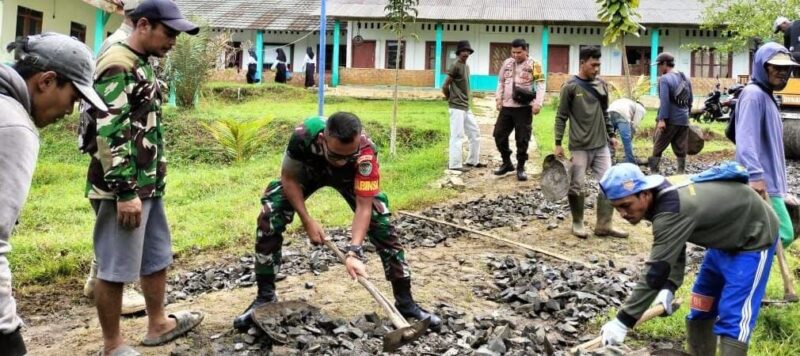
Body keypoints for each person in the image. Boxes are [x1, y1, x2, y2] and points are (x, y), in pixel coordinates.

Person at [233, 113, 441, 332]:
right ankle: (265, 298)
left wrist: (354, 251)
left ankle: (406, 304)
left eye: (347, 156)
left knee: (382, 225)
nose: (341, 161)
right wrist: (307, 220)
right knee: (269, 215)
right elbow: (289, 178)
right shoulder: (304, 135)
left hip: (349, 178)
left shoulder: (365, 153)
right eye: (335, 155)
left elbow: (364, 205)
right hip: (308, 172)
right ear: (323, 139)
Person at [83, 1, 204, 354]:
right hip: (122, 188)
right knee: (116, 266)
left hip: (146, 182)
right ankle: (113, 345)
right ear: (144, 26)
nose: (173, 42)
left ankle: (157, 323)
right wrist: (124, 191)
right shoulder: (117, 63)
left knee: (155, 255)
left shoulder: (141, 62)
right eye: (169, 33)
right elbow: (111, 132)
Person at [598, 163, 778, 356]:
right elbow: (674, 241)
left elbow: (656, 270)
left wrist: (623, 321)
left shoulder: (671, 207)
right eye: (617, 208)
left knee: (734, 317)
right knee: (702, 305)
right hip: (722, 238)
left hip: (753, 236)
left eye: (626, 205)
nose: (623, 214)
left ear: (644, 193)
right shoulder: (657, 198)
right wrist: (670, 285)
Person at [1, 32, 108, 356]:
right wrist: (6, 332)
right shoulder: (14, 127)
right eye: (74, 98)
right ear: (47, 81)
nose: (70, 110)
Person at [83, 0, 147, 316]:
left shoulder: (123, 46)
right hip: (114, 161)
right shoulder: (120, 49)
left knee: (110, 228)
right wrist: (123, 180)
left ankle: (97, 280)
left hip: (118, 157)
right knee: (116, 229)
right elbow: (111, 121)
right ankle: (113, 286)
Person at [554, 46, 627, 239]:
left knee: (609, 184)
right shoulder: (570, 86)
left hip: (601, 144)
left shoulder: (601, 85)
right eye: (593, 65)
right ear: (583, 63)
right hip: (579, 145)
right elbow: (561, 116)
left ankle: (604, 225)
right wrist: (558, 142)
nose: (596, 69)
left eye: (599, 65)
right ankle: (577, 222)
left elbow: (604, 112)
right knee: (577, 185)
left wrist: (611, 134)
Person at [735, 42, 799, 248]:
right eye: (777, 67)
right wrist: (754, 175)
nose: (784, 73)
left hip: (772, 184)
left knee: (766, 235)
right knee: (784, 234)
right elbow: (745, 140)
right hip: (762, 183)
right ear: (762, 67)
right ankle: (742, 266)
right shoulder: (753, 95)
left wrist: (782, 189)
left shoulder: (767, 97)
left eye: (787, 69)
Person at [493, 39, 545, 181]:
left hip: (524, 108)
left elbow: (540, 84)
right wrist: (498, 98)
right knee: (498, 135)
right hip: (507, 107)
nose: (515, 55)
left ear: (526, 50)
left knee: (522, 139)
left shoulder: (535, 64)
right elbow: (501, 81)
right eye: (513, 52)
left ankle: (521, 167)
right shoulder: (507, 63)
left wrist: (538, 103)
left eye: (519, 52)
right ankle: (507, 162)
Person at [648, 52, 693, 175]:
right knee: (680, 147)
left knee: (658, 146)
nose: (658, 68)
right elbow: (690, 100)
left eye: (659, 65)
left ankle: (654, 173)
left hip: (670, 120)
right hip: (683, 119)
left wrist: (662, 119)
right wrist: (687, 116)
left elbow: (664, 101)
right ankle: (680, 172)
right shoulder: (685, 78)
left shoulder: (664, 79)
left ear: (665, 64)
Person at [442, 40, 483, 171]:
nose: (466, 53)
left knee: (475, 133)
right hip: (456, 106)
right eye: (463, 51)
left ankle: (472, 161)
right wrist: (449, 98)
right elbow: (445, 85)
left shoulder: (466, 67)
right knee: (457, 136)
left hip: (466, 106)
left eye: (468, 51)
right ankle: (455, 165)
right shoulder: (455, 65)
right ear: (459, 53)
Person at [607, 98, 646, 164]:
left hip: (609, 111)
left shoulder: (629, 102)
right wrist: (630, 136)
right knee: (626, 139)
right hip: (622, 113)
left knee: (610, 137)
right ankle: (630, 160)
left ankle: (610, 159)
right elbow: (634, 124)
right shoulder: (641, 109)